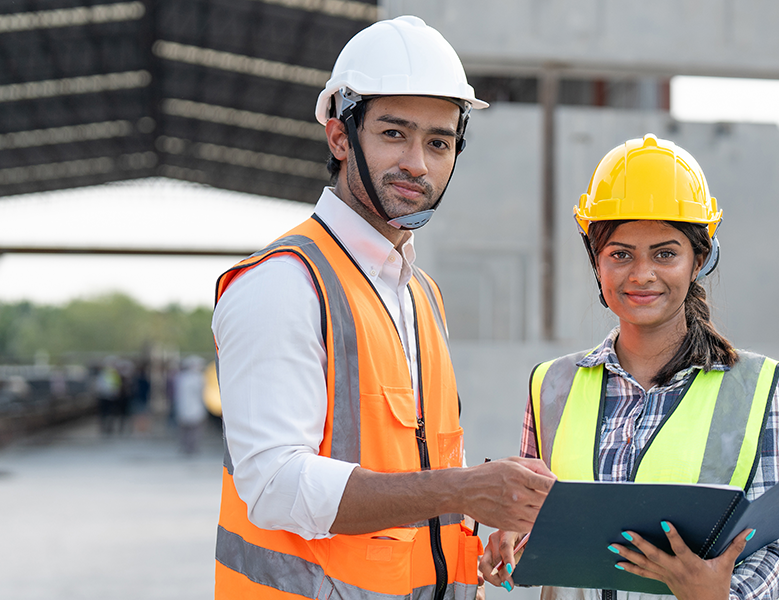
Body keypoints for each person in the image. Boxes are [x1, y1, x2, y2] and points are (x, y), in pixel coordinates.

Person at [211, 15, 556, 600]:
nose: (418, 163)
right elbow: (273, 487)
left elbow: (419, 468)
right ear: (340, 137)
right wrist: (464, 489)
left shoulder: (421, 295)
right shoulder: (284, 284)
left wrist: (481, 524)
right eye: (394, 133)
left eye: (439, 142)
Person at [481, 134, 779, 600]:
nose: (641, 274)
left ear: (698, 260)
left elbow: (778, 549)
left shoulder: (757, 388)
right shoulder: (552, 385)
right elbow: (538, 523)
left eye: (665, 254)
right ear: (597, 262)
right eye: (620, 254)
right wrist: (512, 541)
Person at [174, 355, 206, 456]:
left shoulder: (181, 377)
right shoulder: (198, 378)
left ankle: (185, 447)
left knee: (185, 430)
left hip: (183, 408)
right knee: (195, 430)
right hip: (195, 408)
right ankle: (192, 447)